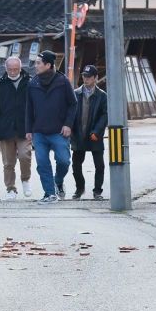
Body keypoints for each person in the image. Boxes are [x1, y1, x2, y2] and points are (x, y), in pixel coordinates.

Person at [25, 50, 77, 203]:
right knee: (42, 163)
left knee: (63, 161)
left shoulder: (63, 81)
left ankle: (58, 181)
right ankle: (49, 193)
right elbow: (29, 108)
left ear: (48, 65)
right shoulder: (32, 83)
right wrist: (28, 129)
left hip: (59, 131)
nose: (36, 66)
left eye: (38, 63)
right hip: (39, 132)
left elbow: (73, 104)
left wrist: (68, 124)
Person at [0, 57, 32, 200]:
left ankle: (25, 179)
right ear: (6, 68)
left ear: (20, 68)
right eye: (10, 69)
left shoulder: (30, 82)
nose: (13, 72)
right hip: (6, 127)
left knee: (24, 155)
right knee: (8, 162)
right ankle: (11, 188)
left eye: (16, 69)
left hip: (24, 126)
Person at [71, 65, 107, 200]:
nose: (86, 79)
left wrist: (97, 131)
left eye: (89, 77)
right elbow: (70, 113)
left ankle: (97, 191)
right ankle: (79, 189)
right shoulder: (76, 94)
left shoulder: (102, 96)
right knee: (76, 165)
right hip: (78, 134)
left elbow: (105, 116)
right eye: (84, 76)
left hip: (94, 136)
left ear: (96, 78)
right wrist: (70, 129)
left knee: (99, 165)